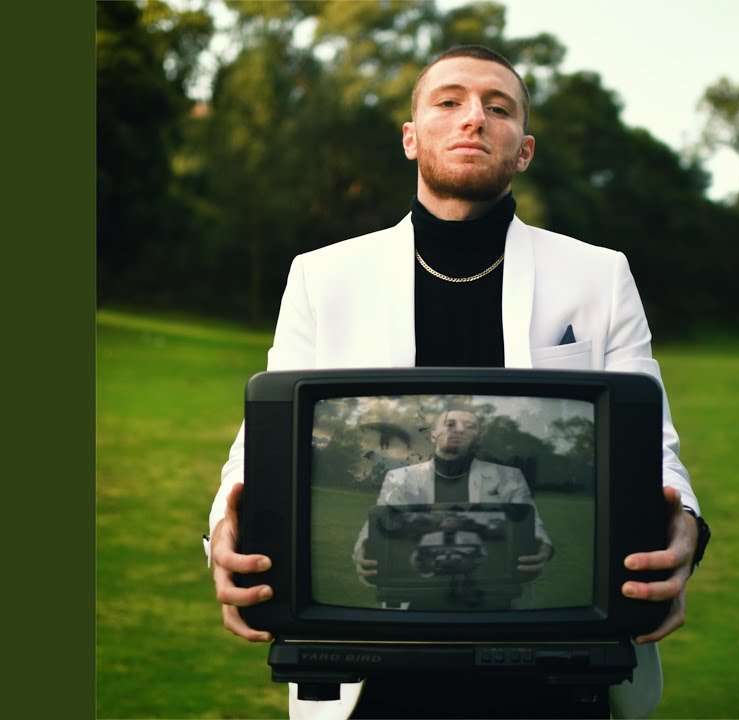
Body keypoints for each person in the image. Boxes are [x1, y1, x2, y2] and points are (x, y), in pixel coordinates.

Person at [207, 44, 710, 719]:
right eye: (449, 101)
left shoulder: (600, 275)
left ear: (524, 150)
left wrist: (686, 525)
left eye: (498, 107)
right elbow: (264, 441)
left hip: (554, 663)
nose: (474, 116)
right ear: (411, 138)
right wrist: (224, 528)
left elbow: (653, 443)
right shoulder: (323, 276)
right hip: (375, 662)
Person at [351, 407, 554, 609]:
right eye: (450, 424)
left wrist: (543, 547)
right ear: (433, 434)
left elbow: (530, 523)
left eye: (470, 426)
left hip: (491, 596)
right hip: (418, 596)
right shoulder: (401, 478)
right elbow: (379, 522)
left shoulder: (508, 477)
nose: (459, 429)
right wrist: (362, 549)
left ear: (478, 438)